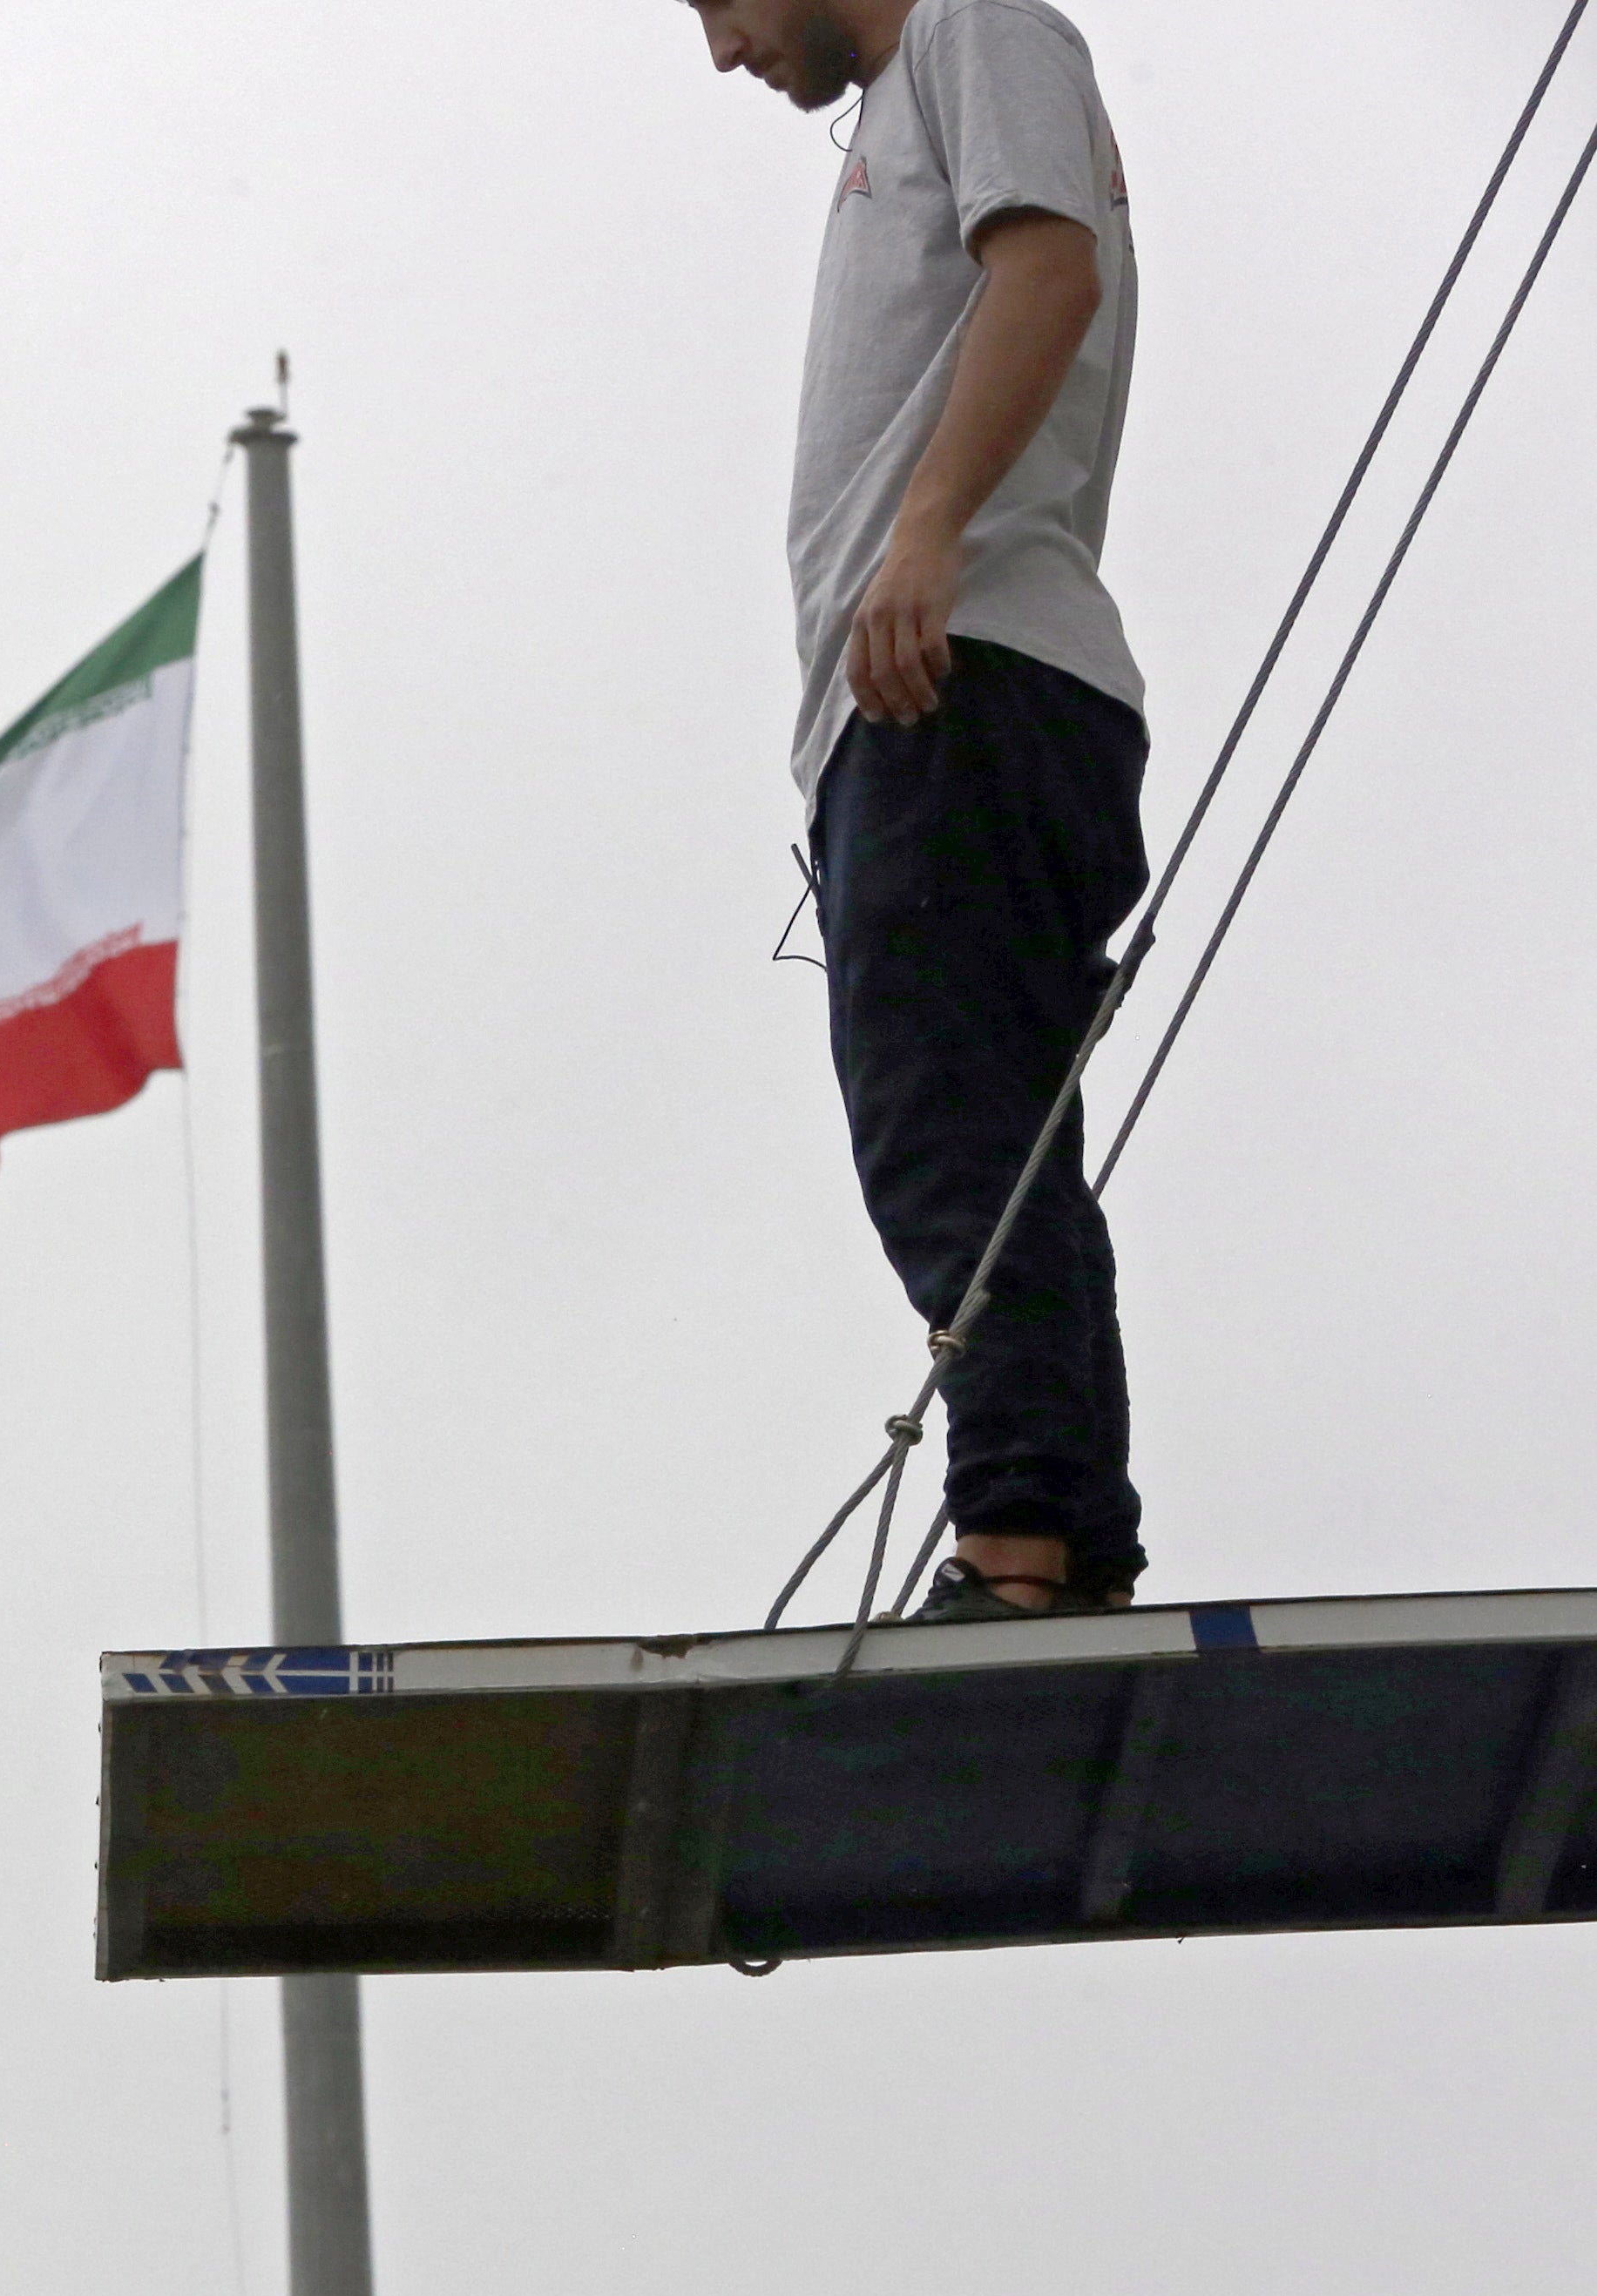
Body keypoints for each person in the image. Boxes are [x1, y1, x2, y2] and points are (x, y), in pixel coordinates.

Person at [682, 0, 1152, 1619]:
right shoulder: (904, 94)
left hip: (968, 680)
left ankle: (1018, 1543)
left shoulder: (976, 22)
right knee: (992, 1135)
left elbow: (1050, 265)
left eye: (716, 2)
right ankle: (1063, 1533)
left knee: (949, 1125)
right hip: (945, 695)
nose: (724, 50)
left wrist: (930, 534)